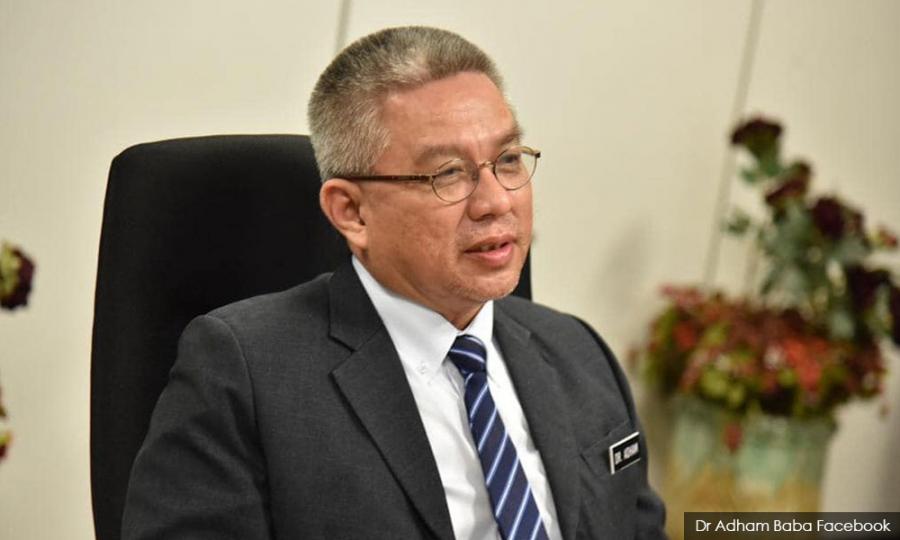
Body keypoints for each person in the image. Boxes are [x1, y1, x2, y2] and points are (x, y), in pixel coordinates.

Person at [121, 26, 666, 540]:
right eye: (448, 173)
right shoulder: (245, 373)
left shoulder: (578, 350)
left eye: (506, 160)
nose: (496, 201)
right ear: (351, 212)